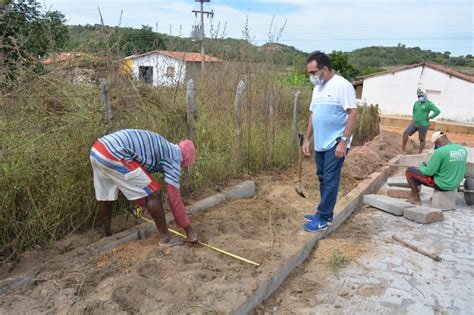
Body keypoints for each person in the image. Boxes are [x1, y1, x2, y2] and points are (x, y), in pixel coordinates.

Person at [89, 129, 198, 246]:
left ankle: (108, 235)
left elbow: (140, 177)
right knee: (154, 193)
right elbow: (174, 198)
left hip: (97, 149)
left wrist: (142, 204)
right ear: (185, 158)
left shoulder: (165, 146)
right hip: (114, 153)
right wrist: (188, 229)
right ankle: (166, 238)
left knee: (106, 195)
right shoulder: (175, 158)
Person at [302, 51, 358, 232]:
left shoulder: (342, 85)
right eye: (309, 73)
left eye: (313, 72)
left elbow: (352, 114)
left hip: (336, 141)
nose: (311, 77)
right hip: (320, 142)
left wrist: (344, 141)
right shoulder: (317, 89)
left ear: (324, 68)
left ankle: (324, 217)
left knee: (331, 179)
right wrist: (307, 138)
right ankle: (322, 213)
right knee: (322, 178)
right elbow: (313, 115)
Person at [405, 131, 467, 205]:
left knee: (409, 171)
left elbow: (428, 172)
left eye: (436, 145)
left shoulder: (439, 152)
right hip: (455, 184)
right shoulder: (462, 150)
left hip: (442, 185)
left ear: (438, 142)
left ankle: (416, 199)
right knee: (424, 173)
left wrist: (422, 166)